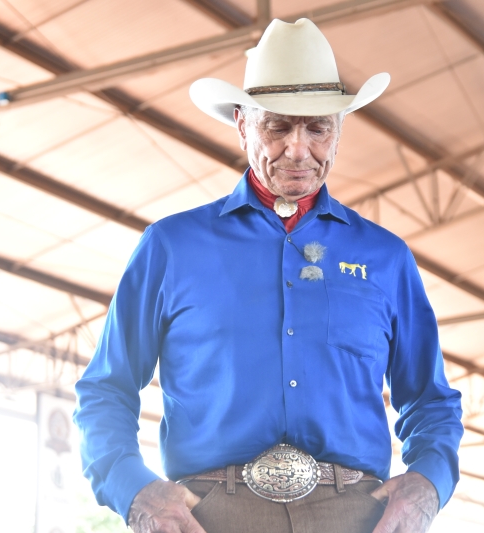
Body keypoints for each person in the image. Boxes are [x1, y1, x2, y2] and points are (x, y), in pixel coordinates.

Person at [74, 18, 463, 533]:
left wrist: (427, 484)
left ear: (339, 129)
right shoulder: (171, 246)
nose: (299, 149)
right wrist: (133, 489)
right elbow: (107, 387)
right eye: (277, 126)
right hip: (207, 514)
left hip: (354, 513)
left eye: (318, 127)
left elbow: (431, 399)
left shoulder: (386, 258)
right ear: (241, 124)